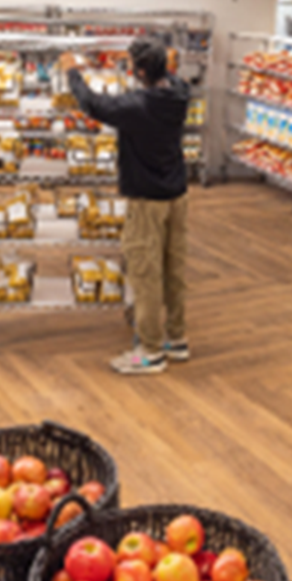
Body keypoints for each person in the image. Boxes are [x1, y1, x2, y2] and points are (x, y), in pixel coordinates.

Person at [66, 37, 190, 376]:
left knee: (145, 273)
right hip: (177, 196)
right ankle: (176, 339)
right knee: (173, 268)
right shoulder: (179, 93)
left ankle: (150, 351)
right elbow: (166, 74)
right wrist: (138, 60)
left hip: (147, 200)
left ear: (138, 72)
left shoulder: (137, 106)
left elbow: (93, 104)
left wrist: (72, 72)